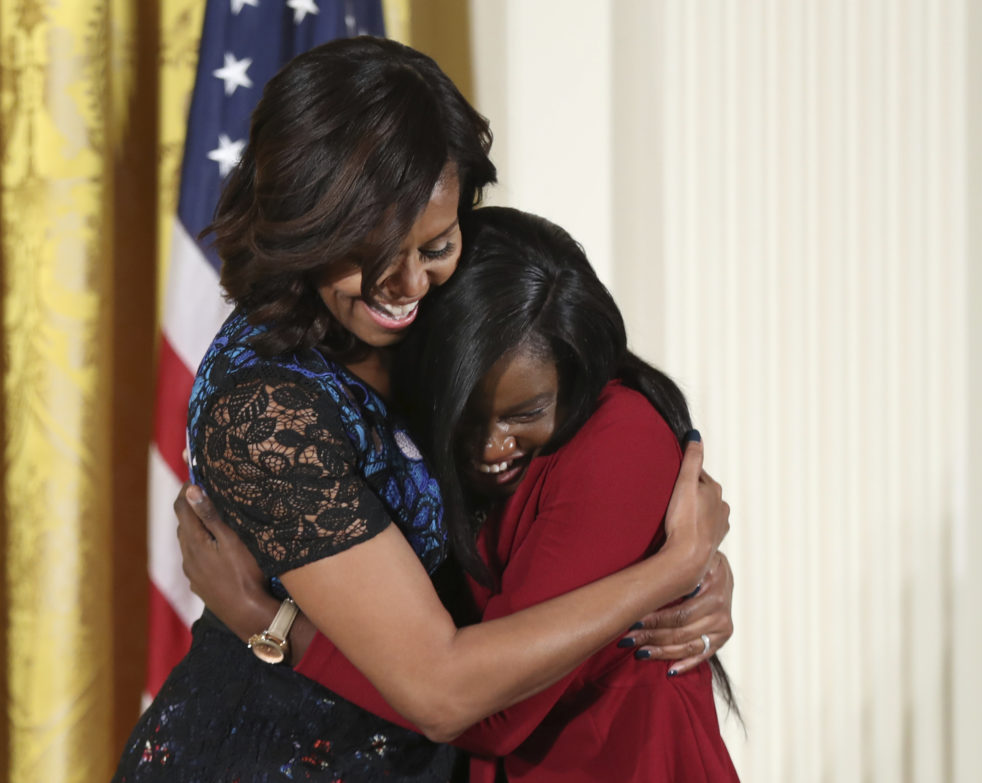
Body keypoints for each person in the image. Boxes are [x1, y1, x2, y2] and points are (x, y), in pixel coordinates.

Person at [114, 37, 730, 782]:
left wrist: (684, 555)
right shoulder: (267, 413)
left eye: (435, 243)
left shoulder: (445, 298)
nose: (407, 284)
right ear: (304, 224)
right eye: (371, 251)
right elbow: (442, 691)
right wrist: (669, 569)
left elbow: (591, 370)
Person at [179, 207, 740, 782]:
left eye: (528, 414)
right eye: (467, 417)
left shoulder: (619, 436)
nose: (493, 446)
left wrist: (266, 621)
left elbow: (491, 713)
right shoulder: (408, 409)